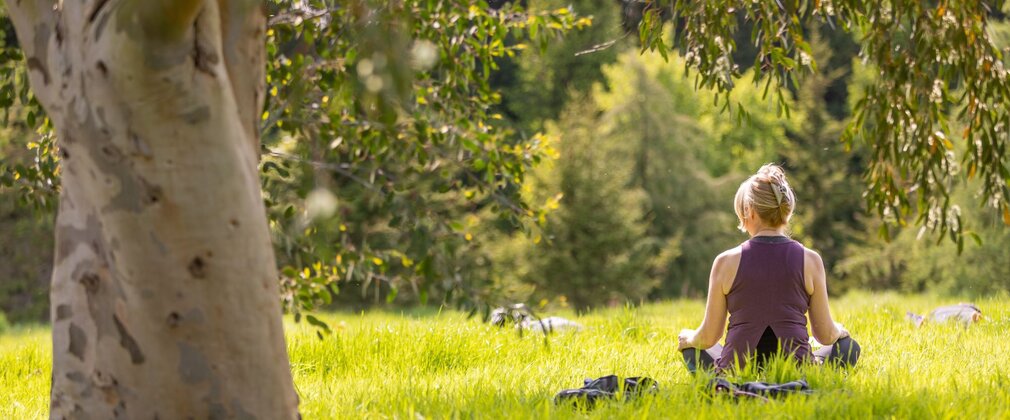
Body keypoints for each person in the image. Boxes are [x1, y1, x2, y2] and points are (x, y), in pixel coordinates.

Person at [677, 164, 860, 373]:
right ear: (786, 210)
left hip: (735, 371)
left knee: (693, 350)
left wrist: (688, 338)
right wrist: (839, 331)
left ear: (749, 211)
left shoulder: (725, 262)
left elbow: (709, 336)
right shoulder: (811, 260)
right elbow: (825, 335)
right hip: (798, 370)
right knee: (848, 347)